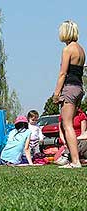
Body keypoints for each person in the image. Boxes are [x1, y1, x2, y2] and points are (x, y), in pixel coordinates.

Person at [52, 20, 85, 168]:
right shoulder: (81, 49)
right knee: (70, 123)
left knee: (67, 124)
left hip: (70, 88)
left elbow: (63, 73)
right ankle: (74, 158)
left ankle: (75, 161)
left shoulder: (68, 50)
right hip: (79, 87)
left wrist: (56, 94)